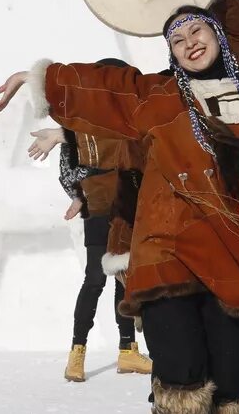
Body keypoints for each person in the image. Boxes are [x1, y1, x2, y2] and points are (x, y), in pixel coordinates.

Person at [0, 7, 239, 414]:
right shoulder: (158, 98)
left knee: (232, 376)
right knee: (180, 372)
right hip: (167, 254)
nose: (189, 42)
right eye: (177, 39)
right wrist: (44, 79)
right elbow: (111, 88)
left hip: (232, 255)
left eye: (197, 30)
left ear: (218, 34)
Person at [27, 74, 153, 382]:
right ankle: (79, 352)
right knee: (98, 279)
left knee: (122, 276)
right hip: (104, 206)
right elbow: (70, 170)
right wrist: (79, 194)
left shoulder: (121, 120)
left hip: (124, 205)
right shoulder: (87, 122)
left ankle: (125, 351)